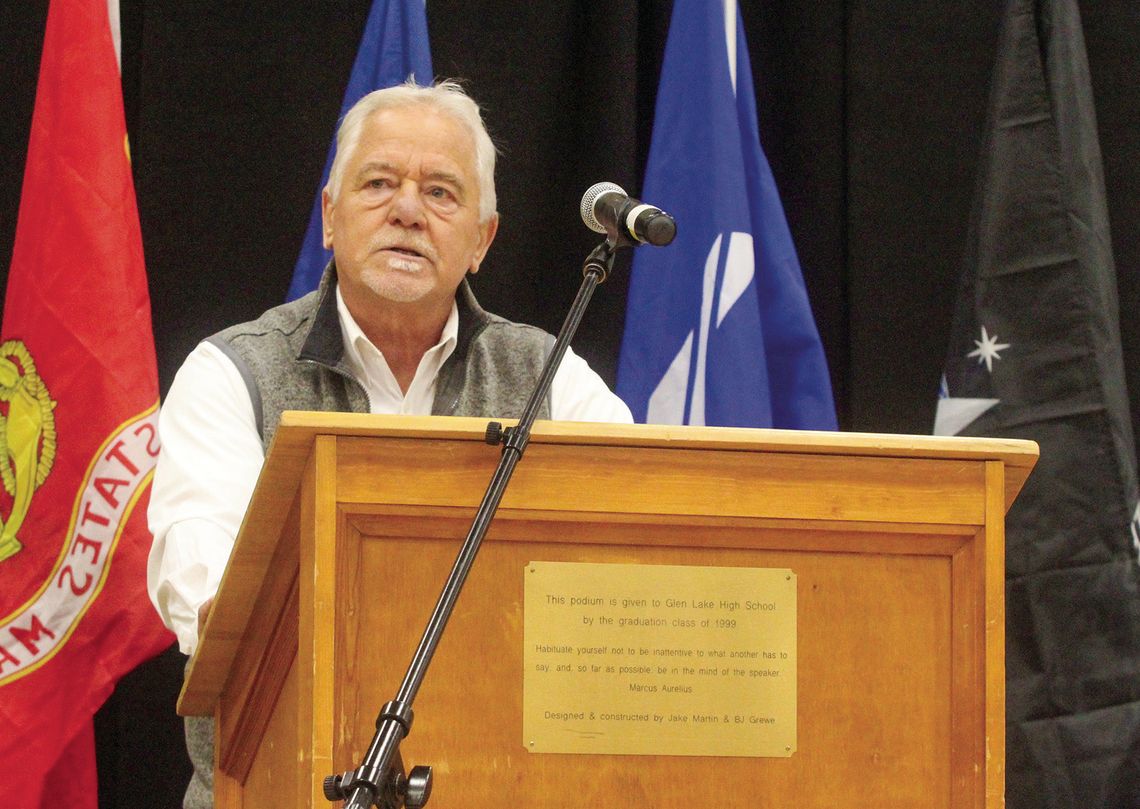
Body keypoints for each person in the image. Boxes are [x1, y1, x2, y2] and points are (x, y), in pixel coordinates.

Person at [147, 79, 632, 809]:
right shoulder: (232, 374)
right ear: (331, 217)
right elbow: (211, 597)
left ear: (481, 239)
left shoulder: (549, 377)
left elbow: (639, 546)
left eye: (441, 192)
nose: (407, 209)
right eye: (379, 184)